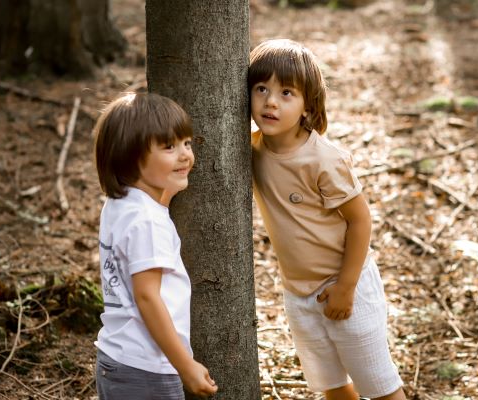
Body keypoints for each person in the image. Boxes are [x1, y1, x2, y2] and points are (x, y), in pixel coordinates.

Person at [249, 39, 407, 400]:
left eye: (287, 92)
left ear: (308, 106)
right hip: (298, 292)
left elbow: (360, 221)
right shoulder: (250, 147)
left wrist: (346, 288)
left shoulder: (322, 159)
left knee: (379, 386)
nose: (271, 101)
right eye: (262, 89)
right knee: (332, 386)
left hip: (346, 285)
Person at [93, 92, 218, 399]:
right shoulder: (148, 222)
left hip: (117, 358)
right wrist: (185, 365)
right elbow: (148, 297)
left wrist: (166, 188)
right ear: (129, 156)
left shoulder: (120, 204)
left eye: (186, 143)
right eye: (169, 147)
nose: (185, 154)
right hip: (147, 368)